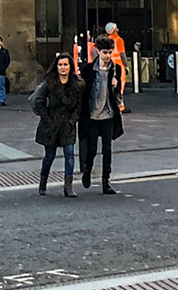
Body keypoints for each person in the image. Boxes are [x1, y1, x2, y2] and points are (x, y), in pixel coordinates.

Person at [30, 52, 84, 196]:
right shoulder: (50, 82)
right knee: (49, 156)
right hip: (51, 124)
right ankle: (43, 182)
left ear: (70, 66)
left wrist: (73, 120)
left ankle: (68, 186)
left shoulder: (77, 84)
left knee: (70, 154)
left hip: (67, 123)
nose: (63, 67)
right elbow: (39, 101)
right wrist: (46, 117)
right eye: (60, 65)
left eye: (65, 64)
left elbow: (80, 105)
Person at [78, 34, 125, 193]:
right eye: (105, 52)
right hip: (92, 115)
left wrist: (115, 86)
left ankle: (106, 181)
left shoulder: (115, 69)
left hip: (108, 115)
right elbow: (82, 91)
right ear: (98, 51)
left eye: (110, 52)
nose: (108, 56)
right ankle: (87, 170)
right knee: (91, 149)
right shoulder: (88, 69)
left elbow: (117, 94)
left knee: (107, 149)